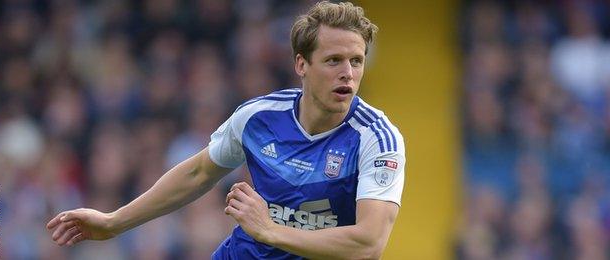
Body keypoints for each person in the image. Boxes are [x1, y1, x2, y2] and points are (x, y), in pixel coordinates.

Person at [46, 1, 406, 259]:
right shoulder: (258, 117)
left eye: (356, 61)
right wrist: (113, 223)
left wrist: (269, 230)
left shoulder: (376, 138)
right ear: (301, 64)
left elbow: (368, 243)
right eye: (333, 60)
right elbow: (199, 172)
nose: (348, 73)